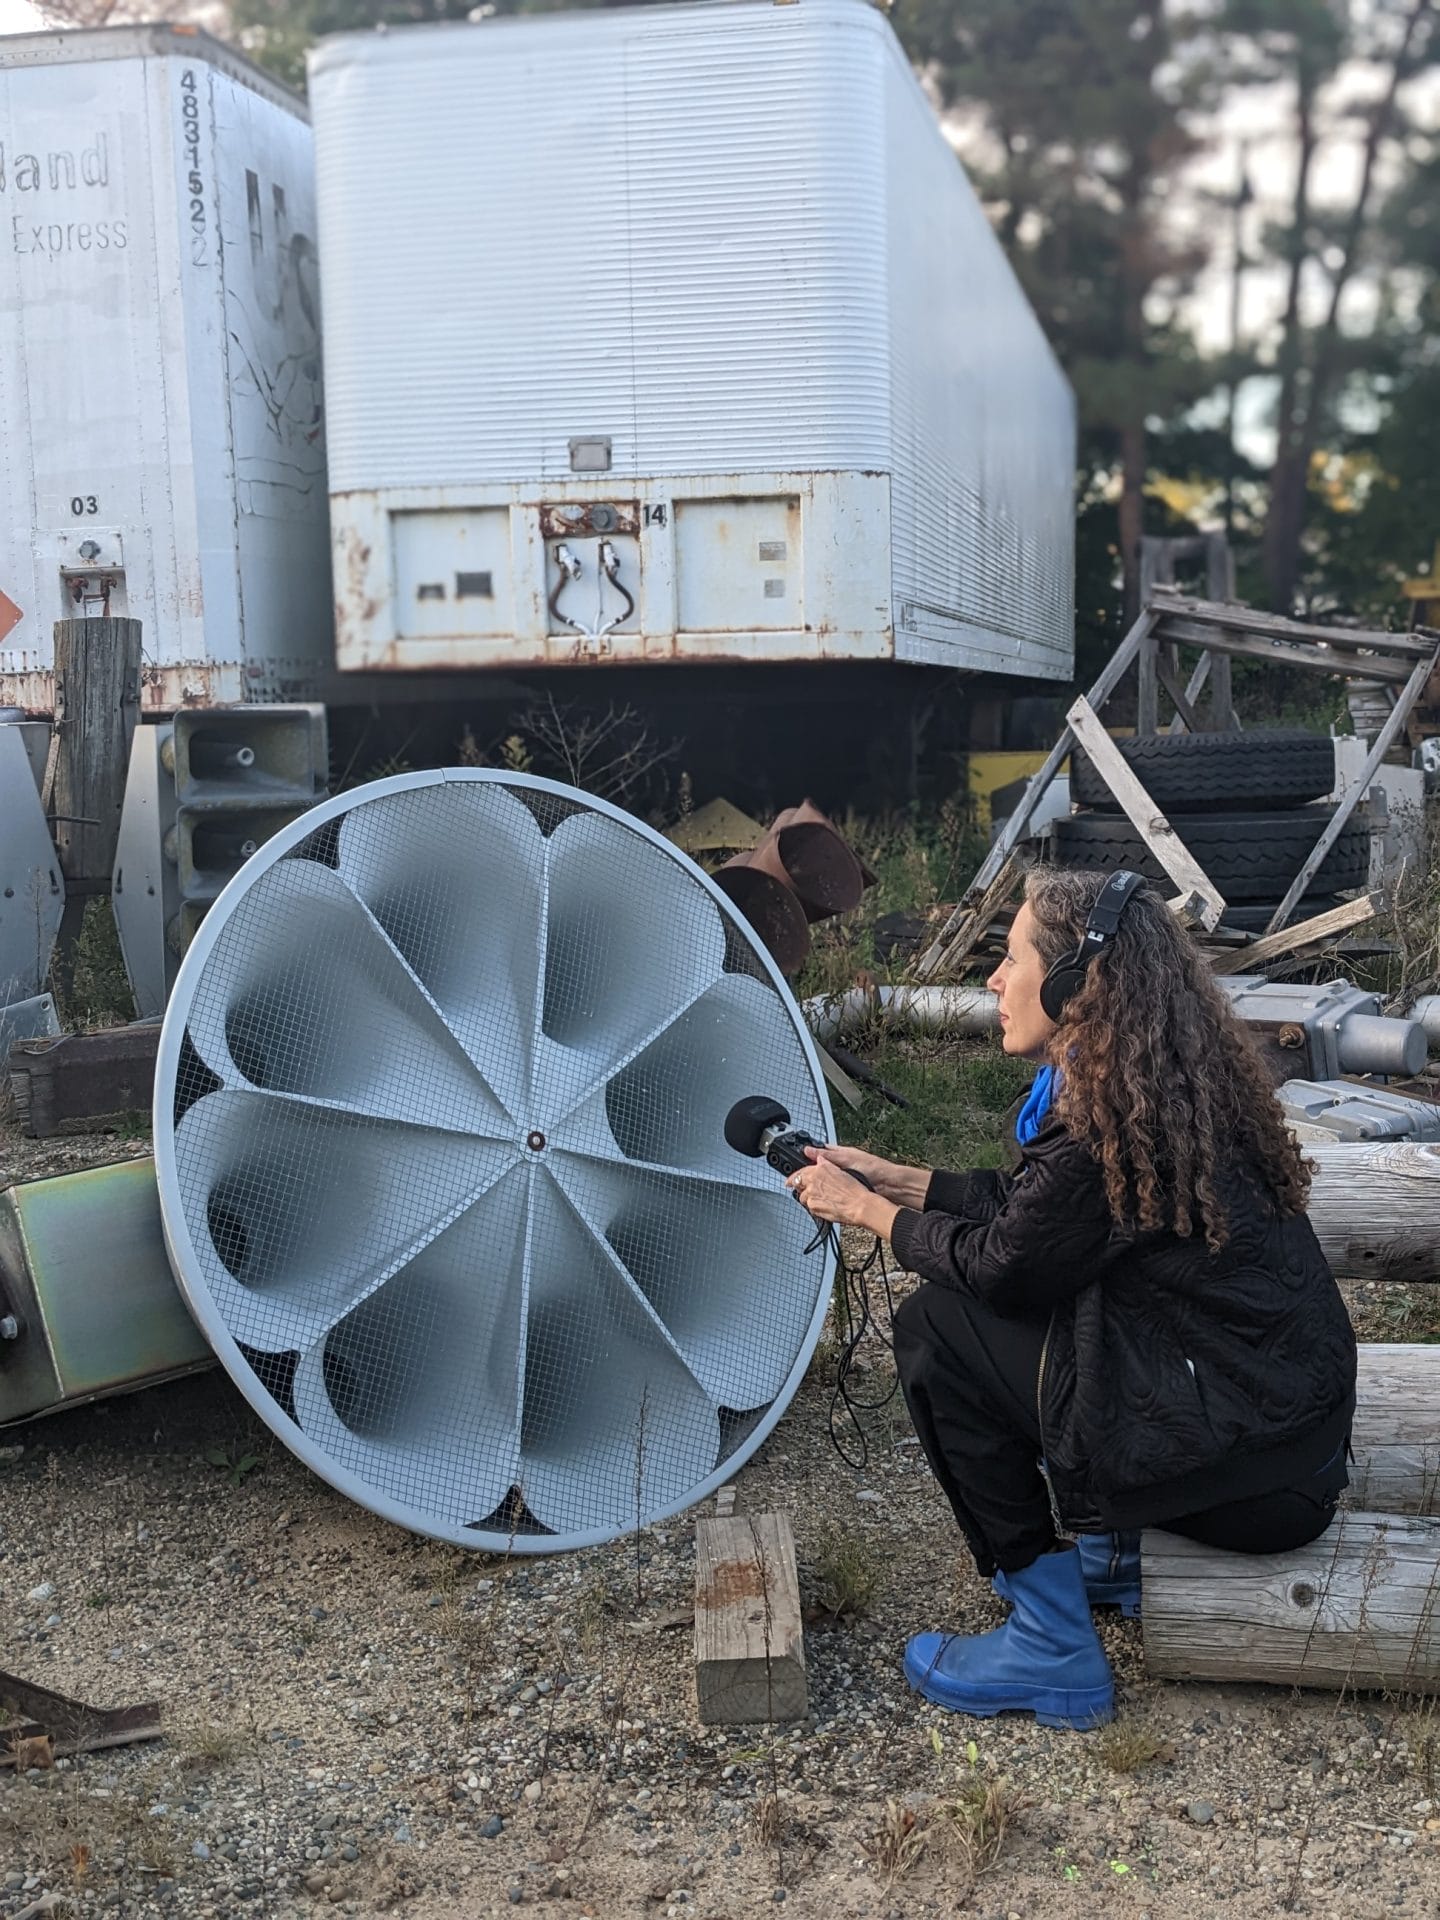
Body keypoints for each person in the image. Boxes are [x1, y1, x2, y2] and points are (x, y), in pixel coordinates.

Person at [785, 867, 1357, 1731]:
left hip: (1257, 1485)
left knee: (938, 1327)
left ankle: (1050, 1643)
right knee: (1044, 1314)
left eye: (1011, 959)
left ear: (1070, 983)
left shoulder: (1109, 1119)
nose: (992, 980)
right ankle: (1116, 1554)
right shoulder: (1157, 1081)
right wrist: (900, 1180)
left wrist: (865, 1212)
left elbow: (1005, 1268)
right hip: (1283, 1449)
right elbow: (1043, 1223)